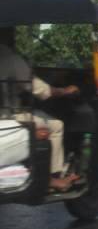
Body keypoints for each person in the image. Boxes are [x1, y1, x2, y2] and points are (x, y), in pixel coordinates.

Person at [0, 28, 80, 191]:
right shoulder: (11, 59)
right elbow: (41, 90)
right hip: (10, 116)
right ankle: (52, 178)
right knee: (57, 125)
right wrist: (65, 90)